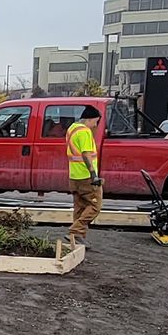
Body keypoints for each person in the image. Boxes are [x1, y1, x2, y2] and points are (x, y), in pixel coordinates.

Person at [65, 101, 104, 242]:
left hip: (74, 176)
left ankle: (77, 238)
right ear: (89, 119)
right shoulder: (84, 131)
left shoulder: (72, 129)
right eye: (96, 122)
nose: (95, 125)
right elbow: (86, 154)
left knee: (80, 207)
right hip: (86, 177)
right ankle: (76, 231)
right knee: (95, 206)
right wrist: (94, 175)